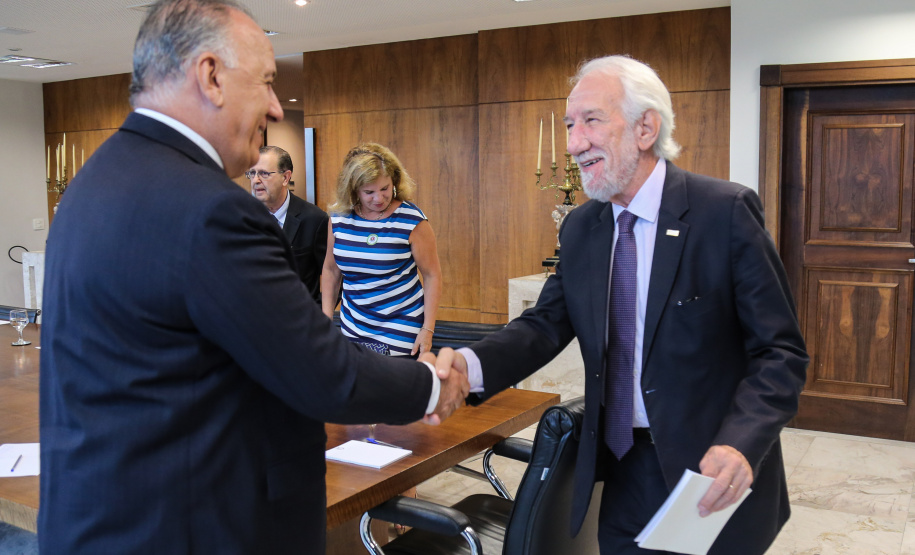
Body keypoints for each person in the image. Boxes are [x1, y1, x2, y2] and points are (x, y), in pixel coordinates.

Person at [37, 1, 467, 554]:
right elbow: (320, 373)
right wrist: (433, 382)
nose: (272, 105)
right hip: (193, 527)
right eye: (265, 82)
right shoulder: (211, 208)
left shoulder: (93, 182)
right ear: (211, 76)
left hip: (110, 519)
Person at [436, 55, 809, 554]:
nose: (573, 144)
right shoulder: (582, 229)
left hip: (710, 473)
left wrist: (741, 442)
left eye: (590, 120)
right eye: (570, 126)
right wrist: (468, 364)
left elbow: (779, 353)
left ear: (645, 128)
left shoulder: (724, 212)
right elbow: (544, 326)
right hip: (621, 470)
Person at [321, 143, 442, 357]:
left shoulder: (412, 220)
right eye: (369, 192)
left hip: (401, 327)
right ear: (353, 189)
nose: (378, 198)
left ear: (394, 182)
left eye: (385, 188)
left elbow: (432, 275)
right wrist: (325, 321)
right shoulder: (339, 218)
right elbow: (331, 271)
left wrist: (427, 329)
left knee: (393, 388)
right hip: (353, 327)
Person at [248, 145, 328, 303]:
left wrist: (316, 314)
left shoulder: (314, 219)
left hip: (300, 320)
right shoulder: (242, 216)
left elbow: (333, 276)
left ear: (285, 177)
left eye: (264, 173)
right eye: (252, 173)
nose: (256, 180)